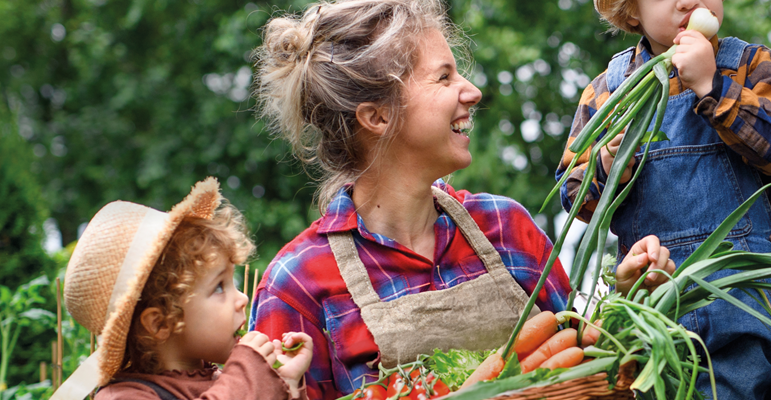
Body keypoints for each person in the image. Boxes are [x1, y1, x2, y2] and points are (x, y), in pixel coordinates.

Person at [246, 0, 672, 398]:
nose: (472, 92)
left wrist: (627, 303)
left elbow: (589, 367)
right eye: (444, 76)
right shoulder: (298, 284)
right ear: (377, 116)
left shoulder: (505, 228)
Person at [562, 0, 771, 397]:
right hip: (654, 299)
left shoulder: (746, 65)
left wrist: (713, 86)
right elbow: (574, 195)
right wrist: (610, 165)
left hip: (743, 294)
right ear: (631, 12)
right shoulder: (607, 91)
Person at [48, 179, 312, 400]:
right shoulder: (124, 396)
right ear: (160, 322)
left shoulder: (222, 379)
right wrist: (246, 375)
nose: (242, 298)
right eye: (219, 287)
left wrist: (285, 384)